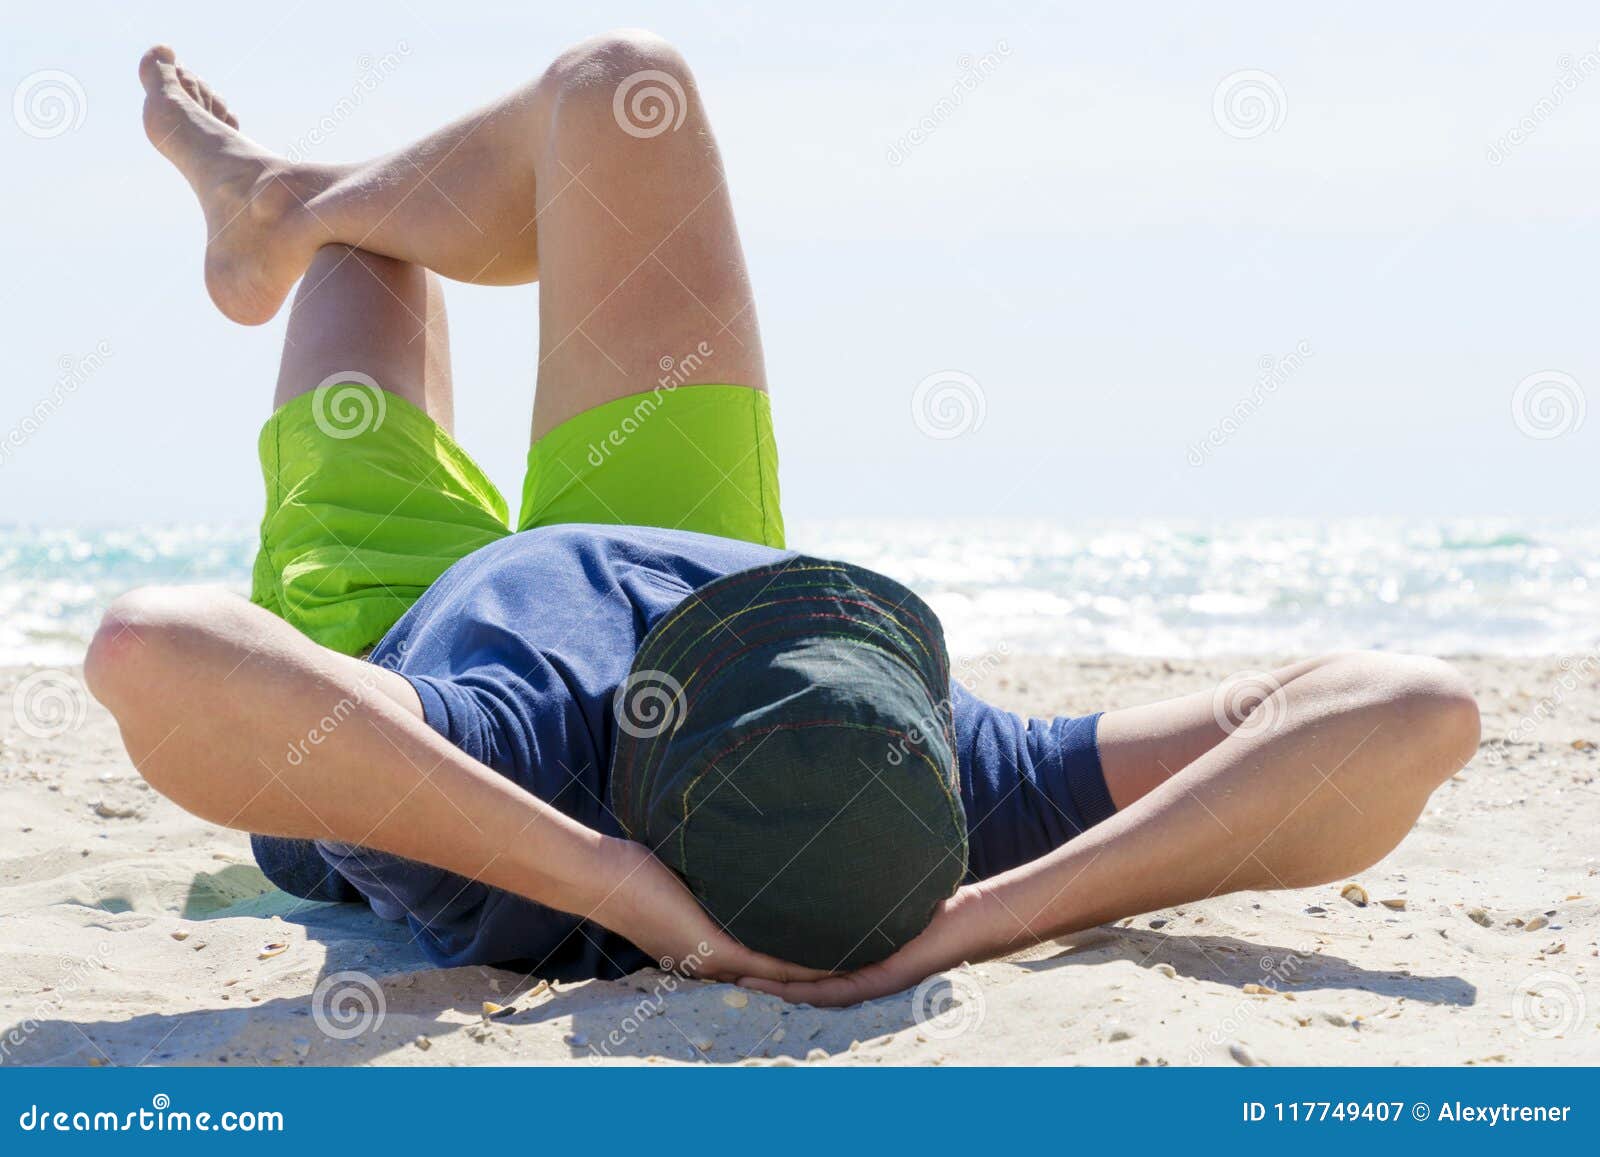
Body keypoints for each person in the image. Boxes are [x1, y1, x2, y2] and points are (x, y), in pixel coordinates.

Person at [86, 32, 1481, 1008]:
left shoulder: (506, 780)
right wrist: (984, 920)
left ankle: (287, 210)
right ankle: (285, 197)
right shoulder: (944, 793)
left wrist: (615, 886)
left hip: (400, 638)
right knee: (625, 90)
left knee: (365, 262)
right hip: (689, 535)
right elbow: (1413, 710)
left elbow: (155, 654)